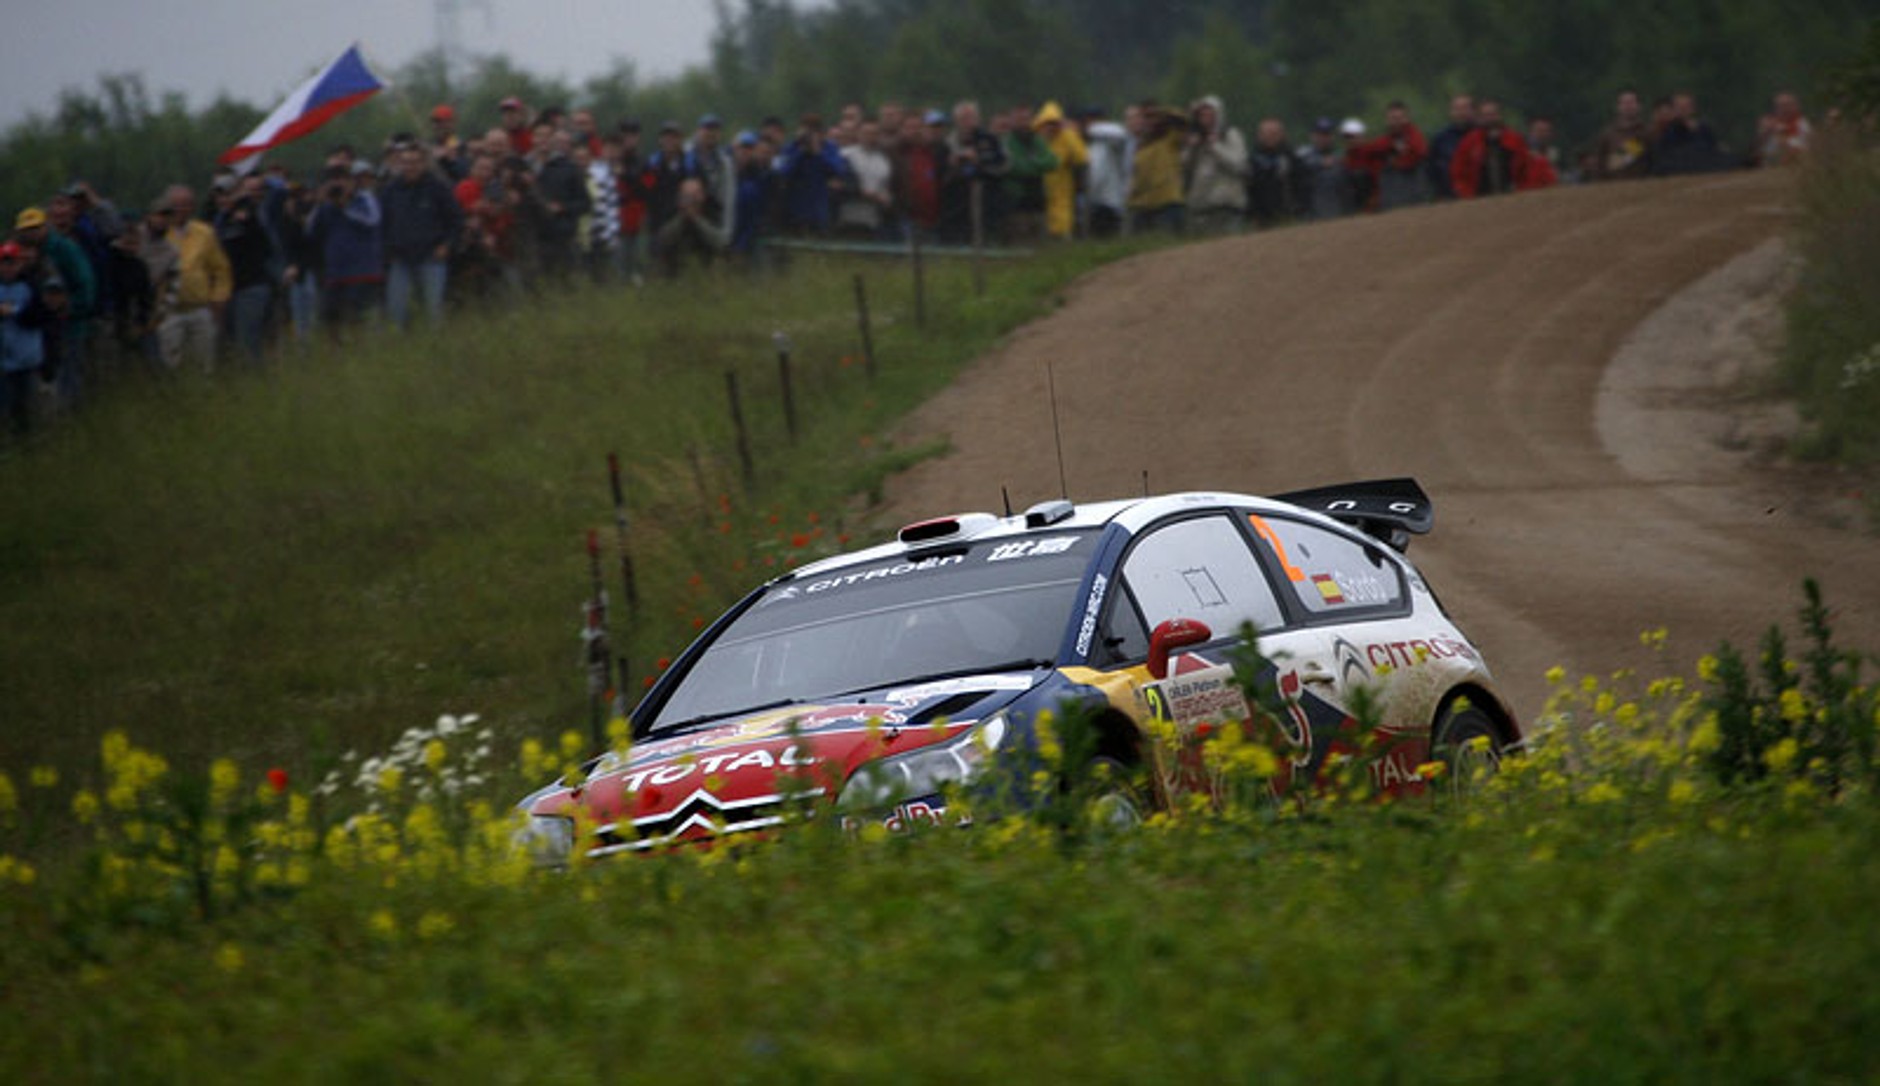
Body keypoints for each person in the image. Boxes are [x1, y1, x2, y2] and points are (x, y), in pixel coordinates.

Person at [15, 205, 96, 402]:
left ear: (45, 227)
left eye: (35, 228)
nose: (31, 233)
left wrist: (70, 309)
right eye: (26, 230)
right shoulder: (19, 256)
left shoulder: (65, 249)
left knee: (68, 378)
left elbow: (85, 284)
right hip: (37, 328)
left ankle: (69, 422)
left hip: (69, 324)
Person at [380, 143, 463, 328]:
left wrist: (447, 245)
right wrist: (387, 251)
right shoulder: (390, 191)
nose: (411, 167)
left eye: (415, 162)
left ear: (424, 163)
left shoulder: (437, 189)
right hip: (400, 260)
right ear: (399, 164)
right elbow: (382, 224)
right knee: (397, 314)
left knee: (433, 313)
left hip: (431, 257)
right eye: (406, 162)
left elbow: (456, 220)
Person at [157, 185, 230, 371]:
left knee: (203, 363)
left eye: (186, 205)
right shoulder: (159, 232)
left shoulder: (205, 232)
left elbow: (221, 269)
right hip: (168, 310)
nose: (181, 210)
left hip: (199, 307)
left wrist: (219, 298)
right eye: (176, 205)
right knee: (171, 363)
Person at [306, 164, 383, 336]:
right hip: (335, 273)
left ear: (351, 182)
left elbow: (372, 220)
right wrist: (319, 203)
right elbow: (310, 231)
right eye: (333, 181)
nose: (338, 185)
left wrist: (345, 205)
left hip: (363, 271)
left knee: (359, 320)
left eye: (342, 180)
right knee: (329, 322)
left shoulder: (364, 199)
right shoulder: (325, 206)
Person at [213, 175, 279, 359]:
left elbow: (267, 246)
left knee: (247, 342)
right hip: (227, 289)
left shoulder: (253, 213)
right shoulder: (221, 220)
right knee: (228, 343)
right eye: (219, 195)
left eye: (228, 194)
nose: (223, 199)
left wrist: (246, 208)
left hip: (252, 285)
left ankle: (255, 381)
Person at [0, 240, 51, 435]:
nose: (7, 267)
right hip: (4, 360)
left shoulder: (31, 286)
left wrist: (13, 311)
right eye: (4, 262)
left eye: (12, 262)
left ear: (20, 263)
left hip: (27, 359)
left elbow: (39, 316)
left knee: (25, 408)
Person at [940, 100, 1008, 244]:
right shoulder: (947, 143)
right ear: (956, 121)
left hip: (987, 198)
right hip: (958, 203)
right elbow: (940, 175)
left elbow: (1004, 166)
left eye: (971, 117)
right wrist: (953, 165)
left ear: (978, 119)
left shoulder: (991, 140)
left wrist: (980, 162)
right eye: (964, 118)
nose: (968, 122)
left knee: (989, 238)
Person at [1450, 100, 1548, 198]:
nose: (1489, 119)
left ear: (1499, 115)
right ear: (1480, 118)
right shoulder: (1469, 142)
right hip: (1479, 197)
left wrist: (1524, 190)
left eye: (1492, 114)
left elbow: (1526, 169)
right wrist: (1466, 194)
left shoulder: (1514, 140)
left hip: (1512, 195)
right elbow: (1459, 171)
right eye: (1485, 115)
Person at [776, 114, 852, 236]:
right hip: (794, 207)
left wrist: (818, 152)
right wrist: (800, 152)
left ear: (821, 133)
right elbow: (784, 172)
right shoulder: (792, 147)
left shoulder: (829, 148)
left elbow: (839, 170)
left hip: (819, 208)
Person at [1350, 102, 1430, 211]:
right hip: (1391, 198)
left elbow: (1420, 153)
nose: (1396, 122)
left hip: (1415, 191)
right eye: (1392, 118)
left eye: (1399, 118)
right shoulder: (1386, 141)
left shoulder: (1415, 137)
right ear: (1387, 120)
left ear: (1407, 119)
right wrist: (1357, 145)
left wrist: (1398, 160)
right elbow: (1365, 153)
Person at [534, 131, 591, 281]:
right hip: (534, 237)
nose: (543, 141)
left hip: (563, 237)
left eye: (546, 137)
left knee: (565, 283)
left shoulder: (570, 169)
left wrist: (563, 207)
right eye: (539, 136)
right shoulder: (527, 166)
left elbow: (585, 203)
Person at [1001, 104, 1059, 244]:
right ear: (1012, 120)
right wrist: (1036, 165)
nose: (1023, 122)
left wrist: (1033, 164)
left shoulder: (1037, 140)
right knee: (1019, 245)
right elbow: (1014, 166)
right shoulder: (1006, 142)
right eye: (1019, 119)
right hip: (1017, 205)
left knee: (1041, 246)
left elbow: (1053, 161)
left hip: (1038, 203)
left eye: (1026, 118)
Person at [1129, 102, 1187, 233]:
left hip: (1167, 203)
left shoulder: (1170, 138)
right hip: (1142, 204)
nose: (1149, 122)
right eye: (1145, 117)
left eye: (1153, 117)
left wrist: (1165, 113)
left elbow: (1183, 121)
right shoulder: (1139, 146)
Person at [1032, 101, 1088, 241]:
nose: (1051, 128)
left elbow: (1082, 158)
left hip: (1062, 196)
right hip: (1038, 197)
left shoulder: (1066, 138)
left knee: (1062, 232)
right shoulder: (1034, 140)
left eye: (1054, 123)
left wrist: (1069, 135)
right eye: (1047, 124)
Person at [655, 177, 728, 278]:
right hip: (675, 267)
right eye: (686, 195)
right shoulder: (671, 210)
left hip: (706, 265)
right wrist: (681, 218)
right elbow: (662, 239)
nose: (691, 200)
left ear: (702, 195)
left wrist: (696, 219)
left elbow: (720, 241)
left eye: (695, 195)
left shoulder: (712, 209)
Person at [893, 111, 948, 240]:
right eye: (910, 127)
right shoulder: (896, 154)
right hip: (907, 218)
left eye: (918, 127)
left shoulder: (937, 152)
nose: (915, 131)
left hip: (933, 218)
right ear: (902, 130)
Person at [1245, 116, 1308, 227]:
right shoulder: (1253, 161)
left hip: (1290, 215)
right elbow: (1249, 189)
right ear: (1259, 136)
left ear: (1282, 134)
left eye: (1274, 133)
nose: (1270, 137)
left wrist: (1300, 208)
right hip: (1262, 219)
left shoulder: (1292, 158)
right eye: (1266, 134)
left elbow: (1302, 185)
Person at [838, 119, 896, 238]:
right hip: (848, 214)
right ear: (858, 134)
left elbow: (885, 187)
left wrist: (887, 197)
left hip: (873, 217)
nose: (870, 137)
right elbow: (838, 184)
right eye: (866, 133)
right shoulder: (845, 155)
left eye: (874, 133)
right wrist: (867, 193)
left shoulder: (883, 160)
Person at [1079, 106, 1130, 238]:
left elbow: (1121, 133)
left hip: (1110, 203)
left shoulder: (1111, 143)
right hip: (1090, 203)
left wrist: (1091, 128)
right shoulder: (1086, 144)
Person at [1296, 117, 1355, 219]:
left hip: (1341, 213)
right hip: (1312, 215)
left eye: (1327, 134)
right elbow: (1297, 169)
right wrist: (1319, 163)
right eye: (1320, 134)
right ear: (1312, 136)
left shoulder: (1341, 155)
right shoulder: (1303, 154)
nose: (1323, 138)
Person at [1655, 92, 1728, 174]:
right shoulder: (1669, 130)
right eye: (1679, 107)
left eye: (1686, 107)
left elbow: (1713, 147)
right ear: (1674, 109)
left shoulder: (1703, 128)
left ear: (1692, 108)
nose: (1683, 110)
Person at [1590, 89, 1653, 181]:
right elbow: (1600, 163)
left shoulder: (1648, 132)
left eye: (1631, 102)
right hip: (1615, 186)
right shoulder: (1607, 134)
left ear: (1639, 106)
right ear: (1618, 107)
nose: (1628, 106)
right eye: (1624, 103)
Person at [1427, 94, 1475, 200]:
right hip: (1449, 196)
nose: (1461, 113)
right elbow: (1431, 169)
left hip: (1480, 195)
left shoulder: (1482, 135)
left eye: (1465, 108)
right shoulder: (1440, 139)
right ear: (1451, 112)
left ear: (1472, 111)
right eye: (1457, 109)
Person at [1757, 92, 1812, 166]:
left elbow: (1806, 145)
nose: (1785, 109)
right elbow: (1759, 147)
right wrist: (1766, 132)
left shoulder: (1802, 123)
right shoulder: (1769, 123)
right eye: (1781, 106)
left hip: (1797, 159)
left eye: (1788, 105)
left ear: (1796, 106)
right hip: (1772, 162)